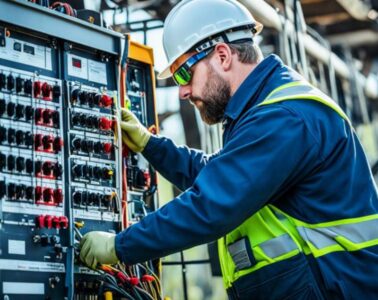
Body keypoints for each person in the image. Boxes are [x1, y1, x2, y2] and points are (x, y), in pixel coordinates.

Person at [79, 0, 378, 298]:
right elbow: (219, 174)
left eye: (184, 73)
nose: (182, 91)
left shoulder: (284, 118)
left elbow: (211, 203)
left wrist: (119, 246)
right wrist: (150, 145)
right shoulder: (266, 115)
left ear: (222, 56)